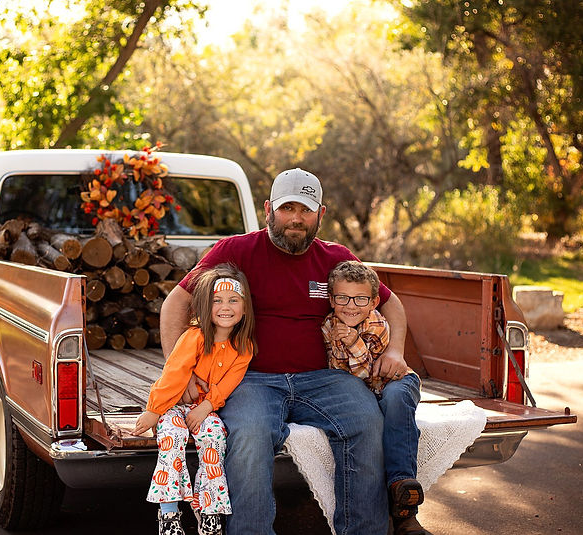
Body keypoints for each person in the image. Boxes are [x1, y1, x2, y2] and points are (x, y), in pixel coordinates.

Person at [159, 168, 411, 535]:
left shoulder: (335, 258)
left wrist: (397, 351)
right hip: (252, 379)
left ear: (321, 214)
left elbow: (391, 304)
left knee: (366, 420)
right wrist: (179, 373)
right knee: (248, 435)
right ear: (268, 210)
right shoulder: (236, 250)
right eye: (287, 208)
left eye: (306, 210)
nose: (296, 218)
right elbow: (175, 303)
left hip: (325, 379)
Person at [133, 264, 256, 535]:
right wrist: (154, 411)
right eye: (217, 301)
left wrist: (206, 407)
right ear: (204, 306)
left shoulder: (244, 346)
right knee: (172, 435)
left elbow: (228, 384)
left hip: (203, 407)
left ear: (245, 308)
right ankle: (169, 514)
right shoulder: (194, 336)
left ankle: (210, 511)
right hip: (172, 404)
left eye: (234, 300)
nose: (226, 307)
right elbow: (174, 374)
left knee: (215, 436)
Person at [321, 261, 428, 535]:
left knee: (395, 404)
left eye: (360, 299)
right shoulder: (329, 326)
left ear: (374, 301)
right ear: (331, 299)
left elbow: (366, 371)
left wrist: (353, 342)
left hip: (395, 380)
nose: (350, 306)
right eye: (342, 298)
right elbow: (337, 372)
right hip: (365, 389)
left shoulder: (377, 324)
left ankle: (402, 486)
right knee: (369, 420)